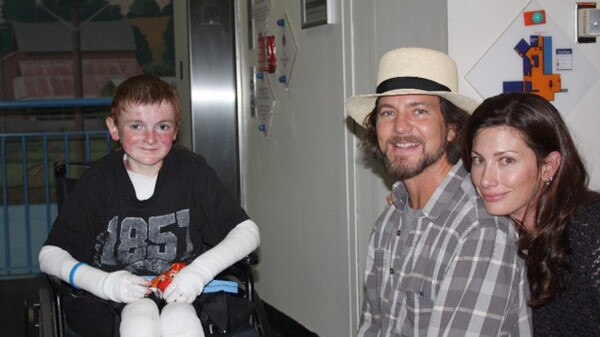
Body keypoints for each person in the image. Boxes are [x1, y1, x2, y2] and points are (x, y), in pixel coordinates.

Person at [38, 75, 260, 337]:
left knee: (180, 318)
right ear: (114, 128)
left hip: (187, 291)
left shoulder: (192, 172)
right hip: (110, 298)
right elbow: (50, 255)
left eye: (163, 127)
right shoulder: (97, 182)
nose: (151, 138)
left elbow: (248, 232)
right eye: (136, 126)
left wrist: (199, 272)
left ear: (176, 130)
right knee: (140, 319)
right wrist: (105, 283)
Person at [345, 47, 532, 336]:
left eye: (419, 111)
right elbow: (372, 328)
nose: (400, 126)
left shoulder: (481, 231)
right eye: (387, 112)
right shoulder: (390, 222)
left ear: (452, 130)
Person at [463, 92, 600, 336]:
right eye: (478, 160)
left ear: (548, 166)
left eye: (506, 160)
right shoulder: (495, 227)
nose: (485, 180)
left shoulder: (591, 231)